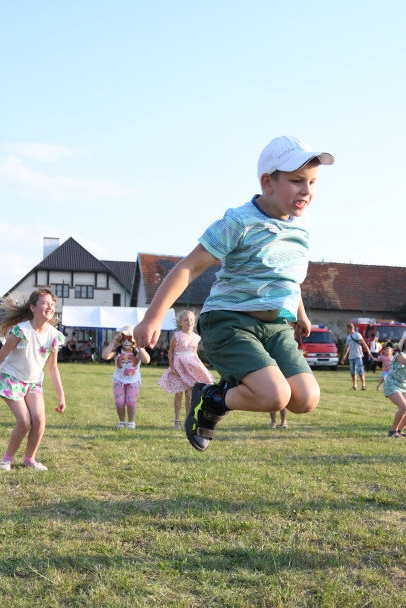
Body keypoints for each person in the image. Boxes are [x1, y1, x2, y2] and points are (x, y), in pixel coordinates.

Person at [132, 135, 334, 452]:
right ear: (268, 182)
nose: (306, 190)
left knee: (306, 398)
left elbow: (289, 277)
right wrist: (153, 318)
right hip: (229, 323)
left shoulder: (302, 226)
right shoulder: (239, 222)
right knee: (275, 395)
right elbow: (189, 267)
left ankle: (220, 392)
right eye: (296, 181)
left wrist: (300, 313)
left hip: (276, 328)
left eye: (312, 182)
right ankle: (211, 399)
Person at [0, 288, 66, 471]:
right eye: (45, 303)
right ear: (32, 307)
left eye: (52, 304)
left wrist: (61, 396)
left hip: (33, 382)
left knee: (39, 420)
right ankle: (6, 461)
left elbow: (53, 368)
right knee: (24, 422)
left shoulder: (54, 336)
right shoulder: (21, 331)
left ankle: (29, 459)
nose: (50, 307)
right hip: (11, 379)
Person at [158, 310, 214, 429]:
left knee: (189, 394)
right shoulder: (177, 336)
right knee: (178, 394)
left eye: (192, 320)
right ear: (181, 322)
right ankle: (177, 419)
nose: (189, 322)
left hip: (190, 367)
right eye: (186, 320)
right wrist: (172, 366)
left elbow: (194, 353)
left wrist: (200, 367)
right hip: (179, 366)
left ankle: (188, 419)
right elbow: (170, 351)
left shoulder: (196, 338)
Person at [103, 326, 150, 429]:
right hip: (119, 381)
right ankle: (122, 421)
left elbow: (147, 360)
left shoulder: (137, 352)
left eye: (130, 339)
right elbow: (105, 356)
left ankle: (131, 422)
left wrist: (140, 346)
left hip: (133, 381)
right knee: (119, 402)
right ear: (120, 339)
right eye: (124, 339)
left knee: (130, 401)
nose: (127, 342)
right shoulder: (118, 351)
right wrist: (113, 343)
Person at [342, 322, 372, 390]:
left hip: (358, 355)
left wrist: (368, 352)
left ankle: (363, 385)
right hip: (351, 357)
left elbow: (363, 343)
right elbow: (347, 347)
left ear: (348, 328)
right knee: (353, 372)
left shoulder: (357, 335)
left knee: (360, 371)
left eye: (346, 328)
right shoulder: (348, 337)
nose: (346, 329)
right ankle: (354, 386)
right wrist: (344, 356)